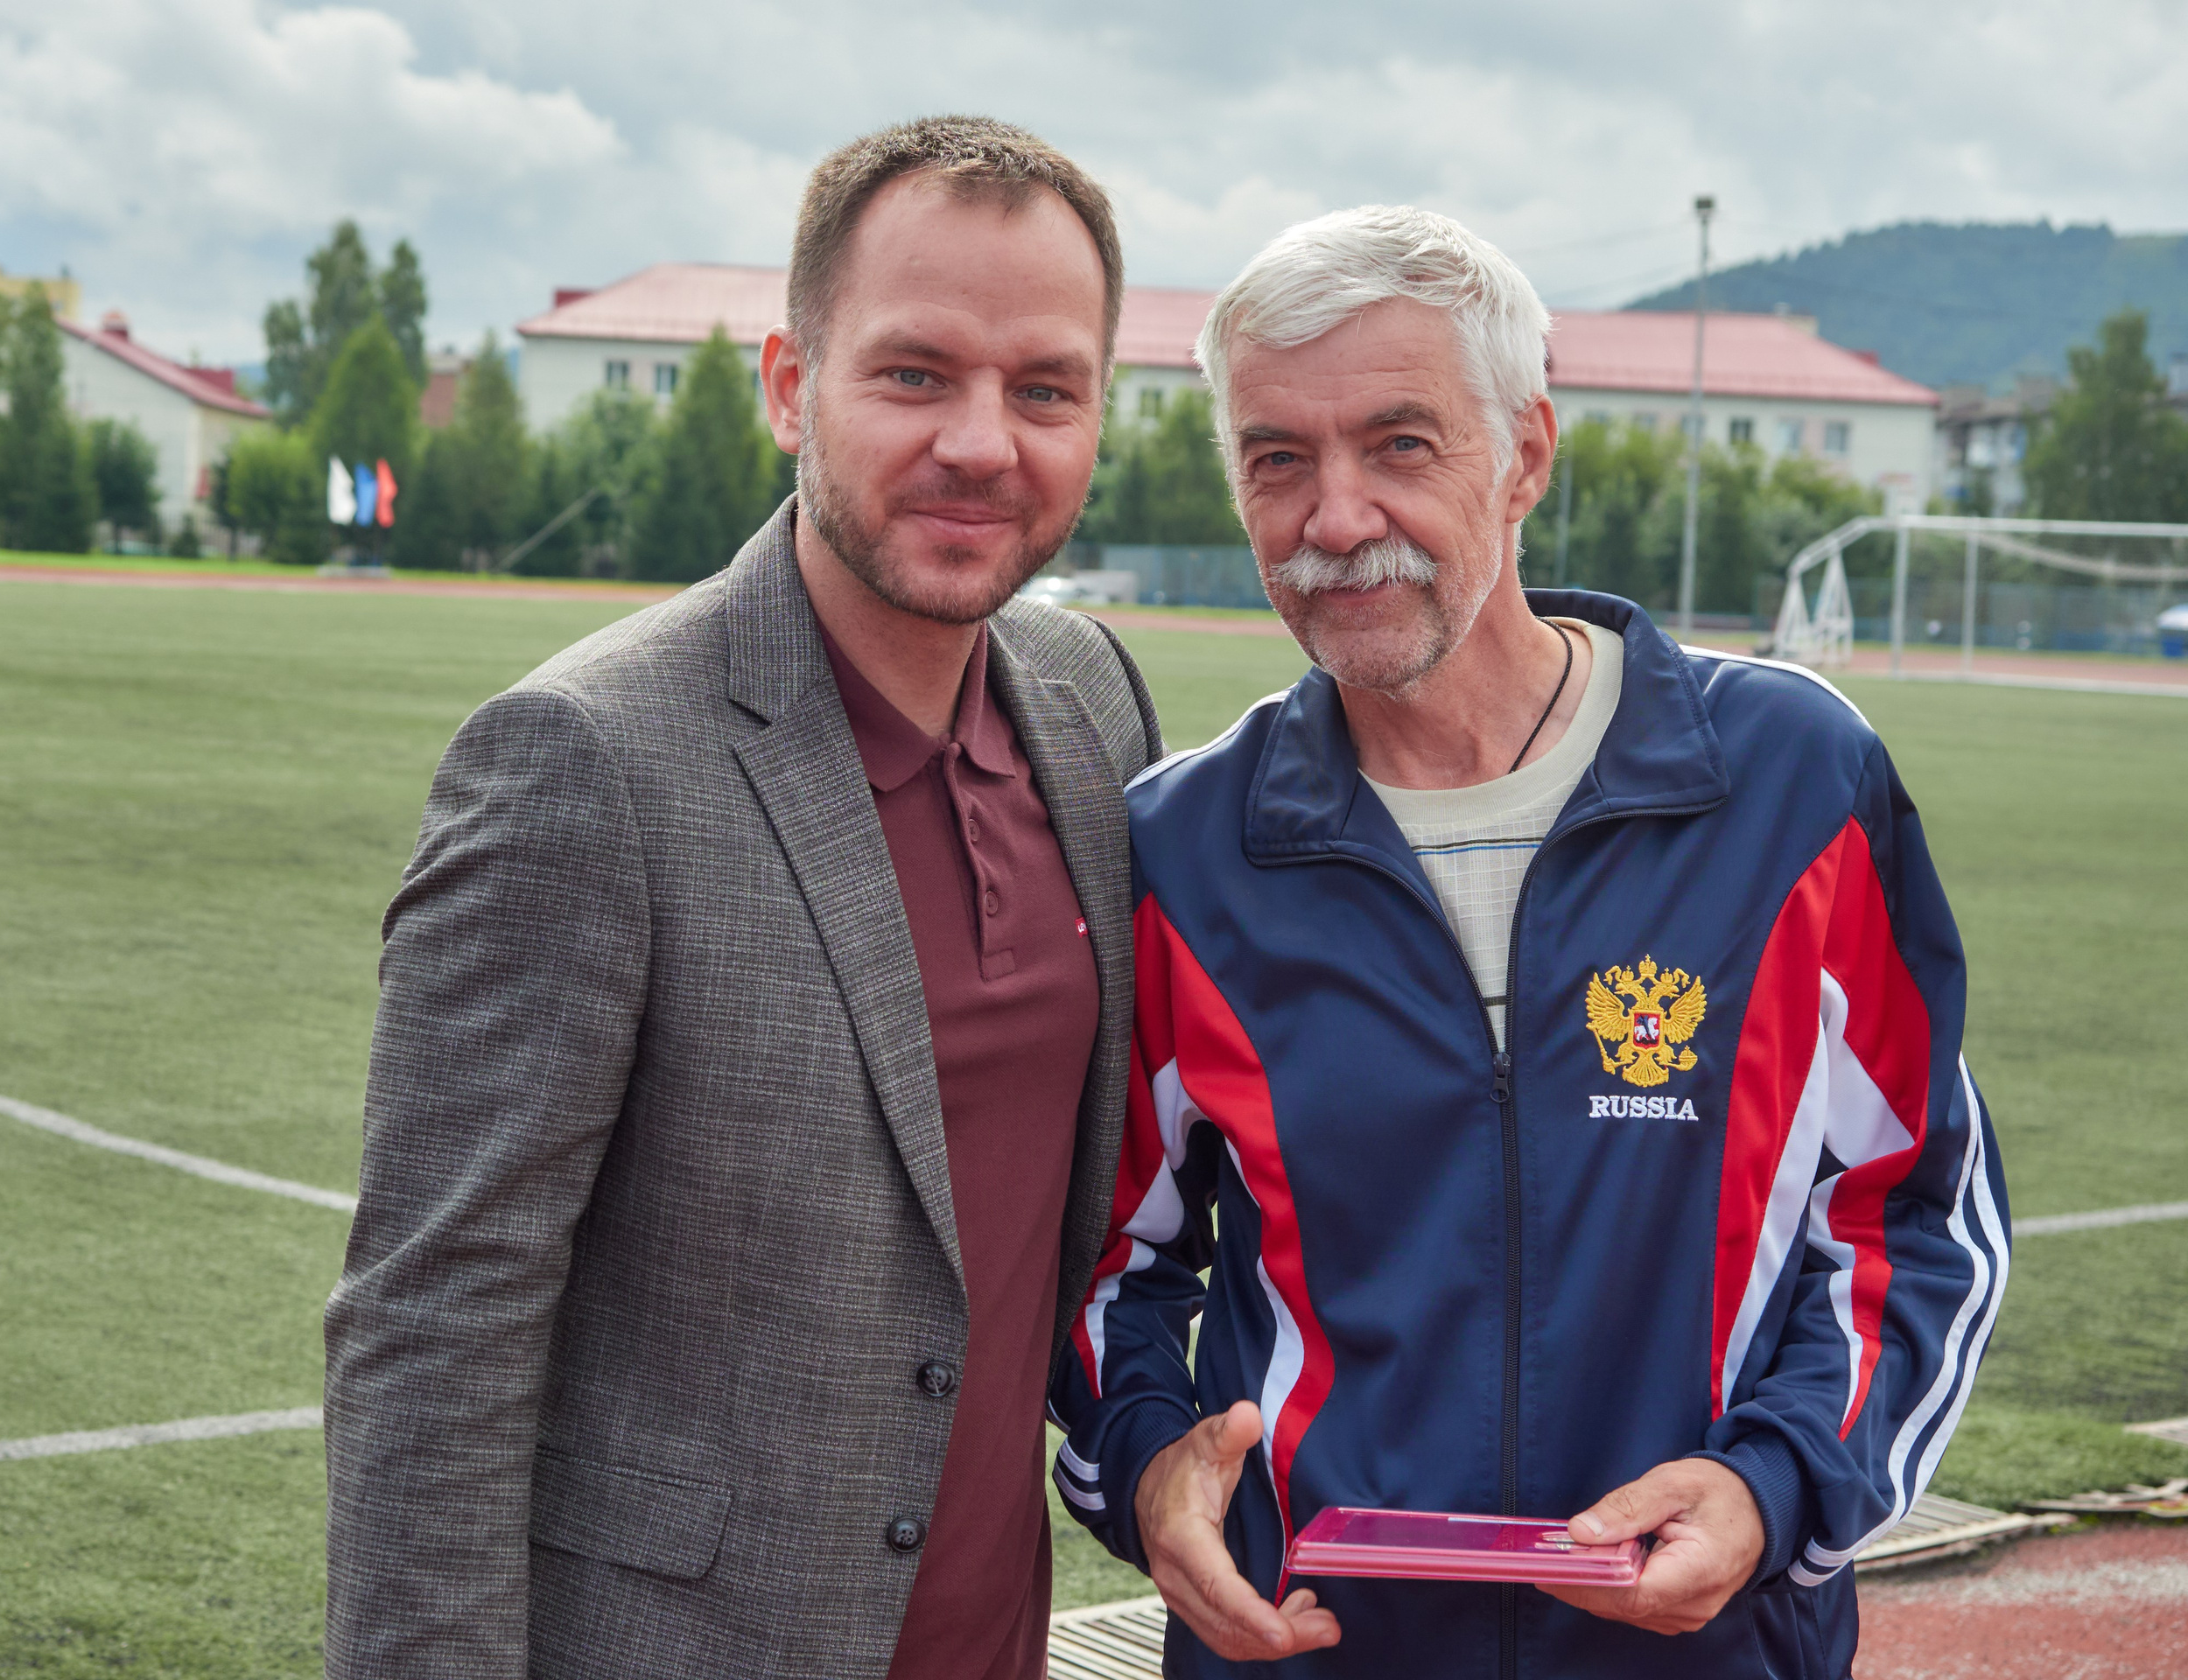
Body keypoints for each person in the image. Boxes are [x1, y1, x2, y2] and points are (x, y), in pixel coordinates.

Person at [1048, 206, 2009, 1678]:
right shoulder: (1182, 854)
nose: (1337, 518)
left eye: (1402, 444)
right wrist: (1150, 1462)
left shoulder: (1791, 788)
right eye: (1278, 459)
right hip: (1310, 1653)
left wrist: (1771, 1491)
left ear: (1528, 457)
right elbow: (1096, 1261)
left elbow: (1913, 1214)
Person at [323, 116, 1163, 1680]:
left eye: (1044, 388)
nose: (984, 441)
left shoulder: (1093, 703)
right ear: (791, 384)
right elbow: (433, 1331)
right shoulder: (582, 761)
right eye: (915, 373)